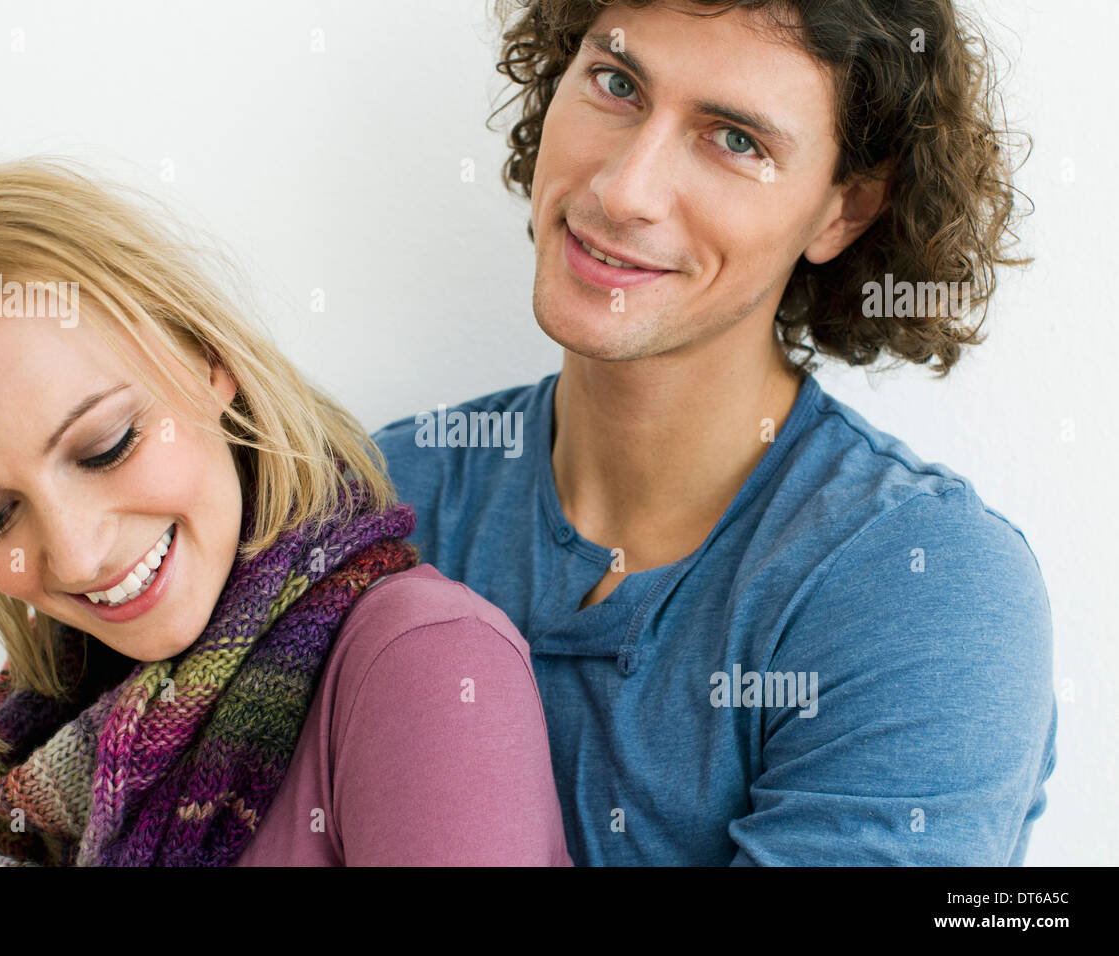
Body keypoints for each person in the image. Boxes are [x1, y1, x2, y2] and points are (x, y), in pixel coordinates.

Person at [373, 0, 1056, 865]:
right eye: (616, 83)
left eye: (736, 140)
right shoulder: (378, 497)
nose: (624, 190)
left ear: (843, 211)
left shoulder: (925, 589)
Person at [0, 158, 572, 867]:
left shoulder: (425, 664)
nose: (78, 553)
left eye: (107, 446)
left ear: (207, 359)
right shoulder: (37, 751)